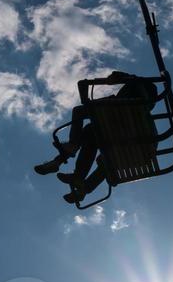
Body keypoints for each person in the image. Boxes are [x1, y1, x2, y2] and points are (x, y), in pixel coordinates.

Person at [35, 72, 160, 204]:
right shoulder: (144, 119)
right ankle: (84, 186)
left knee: (90, 131)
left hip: (126, 152)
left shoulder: (117, 106)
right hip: (141, 157)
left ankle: (65, 159)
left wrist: (120, 78)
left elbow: (81, 110)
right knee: (107, 155)